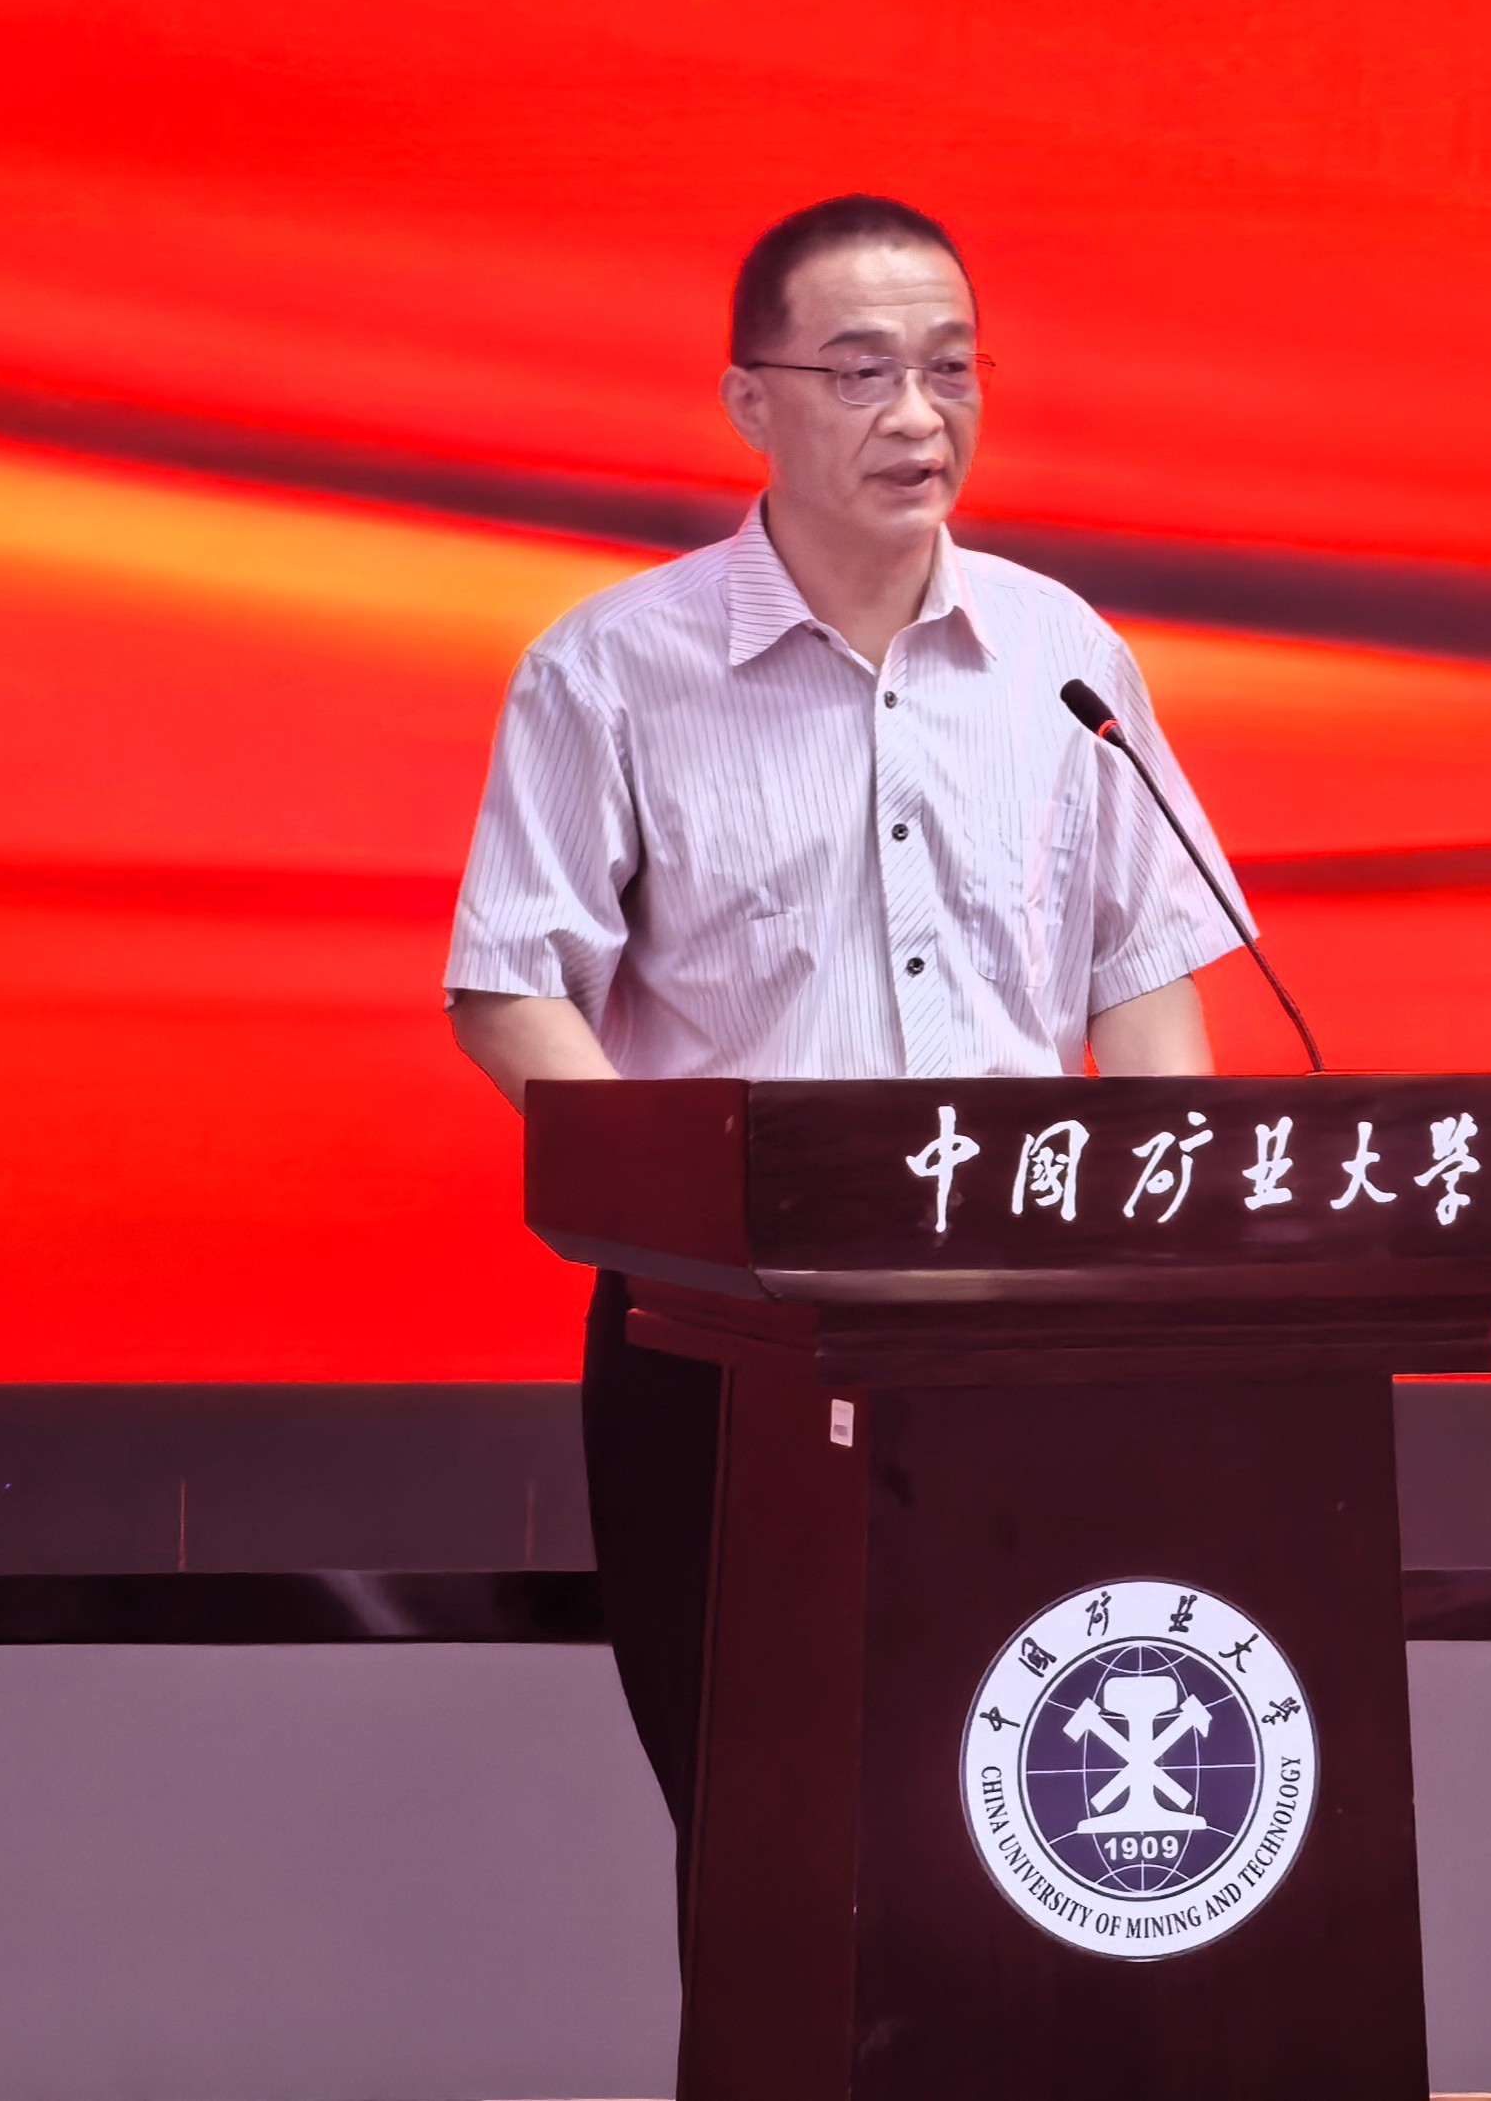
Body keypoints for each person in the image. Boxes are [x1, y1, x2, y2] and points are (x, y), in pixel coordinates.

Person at [440, 193, 1247, 1913]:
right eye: (863, 370)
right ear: (751, 400)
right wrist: (684, 1207)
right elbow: (509, 986)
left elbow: (1142, 979)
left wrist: (1174, 1278)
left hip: (1028, 1321)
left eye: (952, 369)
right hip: (727, 1337)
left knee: (1037, 1833)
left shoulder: (1064, 657)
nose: (918, 415)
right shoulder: (613, 668)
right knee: (770, 1837)